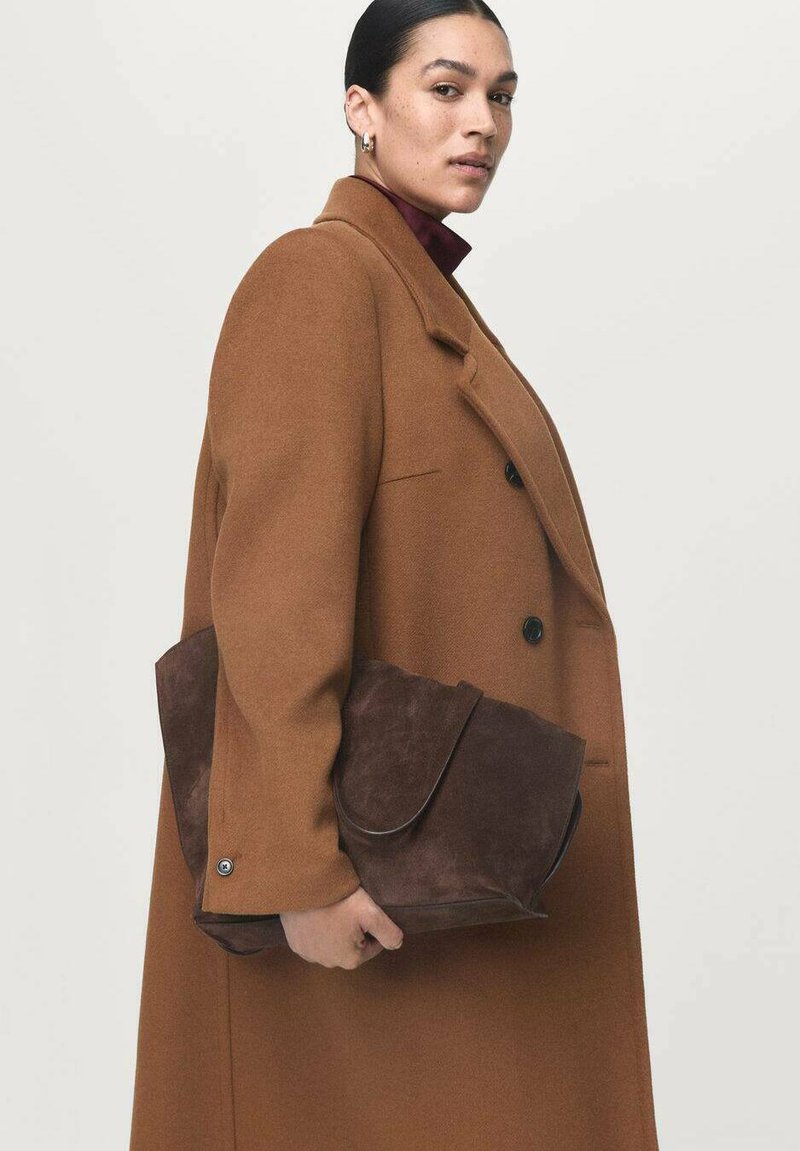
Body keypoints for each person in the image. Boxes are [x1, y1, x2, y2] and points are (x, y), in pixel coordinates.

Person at [129, 2, 661, 1148]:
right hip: (371, 880)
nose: (482, 123)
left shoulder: (418, 294)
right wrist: (296, 871)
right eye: (446, 88)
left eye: (501, 96)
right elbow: (273, 596)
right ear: (361, 109)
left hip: (472, 861)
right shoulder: (319, 279)